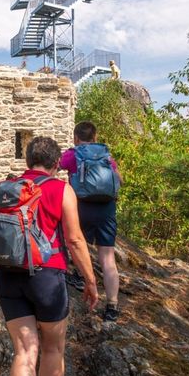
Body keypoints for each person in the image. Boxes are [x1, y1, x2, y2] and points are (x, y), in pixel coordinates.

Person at [0, 136, 98, 376]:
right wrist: (90, 281)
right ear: (55, 164)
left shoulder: (7, 189)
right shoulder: (61, 190)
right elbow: (74, 240)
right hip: (46, 277)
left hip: (7, 275)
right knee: (52, 349)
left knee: (24, 351)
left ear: (28, 161)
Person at [59, 121, 122, 322]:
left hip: (82, 206)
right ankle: (112, 306)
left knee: (78, 242)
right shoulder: (106, 156)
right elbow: (119, 181)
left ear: (76, 138)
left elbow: (53, 165)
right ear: (95, 137)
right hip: (106, 208)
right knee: (108, 258)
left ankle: (79, 275)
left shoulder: (73, 154)